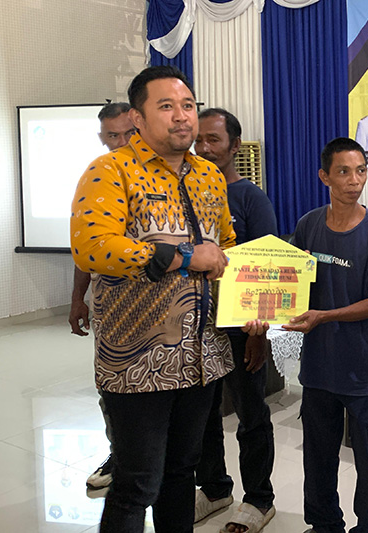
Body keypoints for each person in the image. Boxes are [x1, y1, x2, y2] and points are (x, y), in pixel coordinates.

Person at [70, 65, 265, 532]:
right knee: (137, 483)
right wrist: (184, 256)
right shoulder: (110, 171)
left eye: (188, 105)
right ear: (138, 118)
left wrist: (253, 301)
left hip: (202, 358)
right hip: (137, 361)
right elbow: (92, 246)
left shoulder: (209, 177)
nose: (182, 116)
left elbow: (227, 246)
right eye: (166, 106)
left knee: (181, 473)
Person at [284, 138, 368, 533]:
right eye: (344, 172)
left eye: (361, 171)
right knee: (317, 458)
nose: (355, 181)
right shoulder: (308, 225)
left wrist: (324, 316)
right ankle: (324, 525)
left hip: (363, 370)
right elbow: (293, 284)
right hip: (319, 368)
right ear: (325, 177)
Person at [192, 108, 278, 532]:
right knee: (203, 414)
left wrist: (259, 333)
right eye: (199, 140)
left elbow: (267, 266)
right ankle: (214, 489)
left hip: (241, 327)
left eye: (214, 139)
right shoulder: (186, 192)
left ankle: (259, 498)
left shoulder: (249, 198)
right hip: (196, 327)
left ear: (235, 146)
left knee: (250, 413)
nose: (205, 148)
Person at [67, 101, 136, 491]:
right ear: (102, 138)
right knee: (111, 388)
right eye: (113, 135)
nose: (122, 142)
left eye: (129, 133)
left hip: (161, 312)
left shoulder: (160, 178)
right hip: (111, 308)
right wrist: (78, 298)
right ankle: (119, 457)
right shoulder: (97, 179)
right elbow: (86, 248)